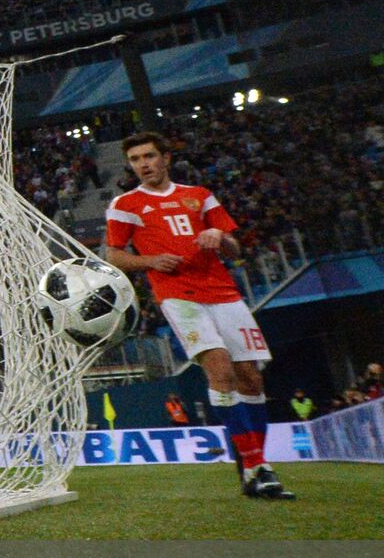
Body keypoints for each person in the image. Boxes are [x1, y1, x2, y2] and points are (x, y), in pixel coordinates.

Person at [105, 131, 293, 499]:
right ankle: (256, 467)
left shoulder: (200, 196)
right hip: (178, 295)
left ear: (166, 158)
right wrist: (150, 261)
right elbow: (114, 255)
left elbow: (235, 247)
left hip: (223, 293)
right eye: (136, 159)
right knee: (220, 370)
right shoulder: (125, 204)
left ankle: (254, 466)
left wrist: (218, 236)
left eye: (149, 156)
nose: (143, 164)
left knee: (250, 379)